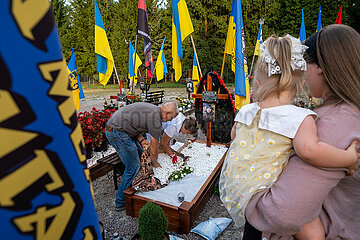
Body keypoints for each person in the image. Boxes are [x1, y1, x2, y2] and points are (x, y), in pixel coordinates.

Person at [218, 33, 359, 239]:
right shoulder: (299, 118)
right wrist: (349, 158)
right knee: (313, 232)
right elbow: (310, 150)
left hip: (242, 186)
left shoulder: (247, 110)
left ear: (258, 81)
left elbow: (234, 136)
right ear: (298, 80)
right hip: (268, 189)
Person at [105, 101, 178, 211]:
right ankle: (120, 201)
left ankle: (136, 182)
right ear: (166, 112)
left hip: (119, 128)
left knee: (139, 158)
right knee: (133, 166)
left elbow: (132, 124)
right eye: (170, 118)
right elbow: (154, 149)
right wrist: (155, 163)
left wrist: (142, 140)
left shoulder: (153, 110)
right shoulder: (156, 120)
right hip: (117, 131)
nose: (169, 120)